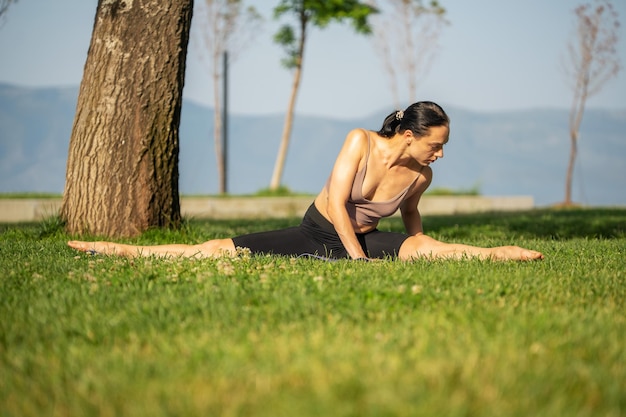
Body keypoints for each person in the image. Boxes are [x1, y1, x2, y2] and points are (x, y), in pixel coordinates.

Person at [68, 101, 544, 262]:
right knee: (217, 250)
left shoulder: (422, 175)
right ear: (407, 134)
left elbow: (411, 219)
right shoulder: (360, 141)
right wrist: (358, 260)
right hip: (318, 231)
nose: (440, 153)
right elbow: (338, 203)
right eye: (435, 143)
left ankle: (500, 255)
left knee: (425, 247)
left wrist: (418, 247)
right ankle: (118, 249)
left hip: (363, 240)